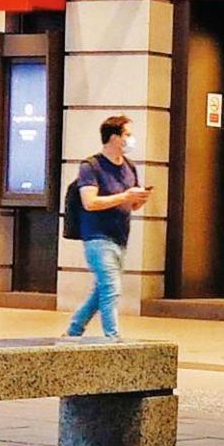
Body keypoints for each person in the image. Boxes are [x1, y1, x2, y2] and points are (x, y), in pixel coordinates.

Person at [65, 115, 150, 339]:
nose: (131, 140)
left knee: (100, 291)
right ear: (114, 138)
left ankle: (73, 330)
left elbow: (131, 205)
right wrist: (125, 195)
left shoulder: (129, 167)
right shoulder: (91, 167)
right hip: (96, 237)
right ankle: (112, 338)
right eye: (127, 135)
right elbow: (90, 202)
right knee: (111, 287)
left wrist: (138, 199)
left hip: (120, 237)